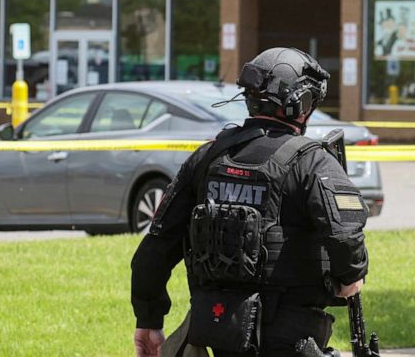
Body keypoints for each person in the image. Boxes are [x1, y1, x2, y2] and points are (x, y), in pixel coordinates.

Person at [131, 47, 369, 357]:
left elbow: (156, 247)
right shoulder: (312, 163)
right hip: (290, 335)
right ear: (302, 103)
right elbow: (345, 236)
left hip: (216, 332)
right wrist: (351, 277)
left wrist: (148, 320)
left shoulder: (207, 158)